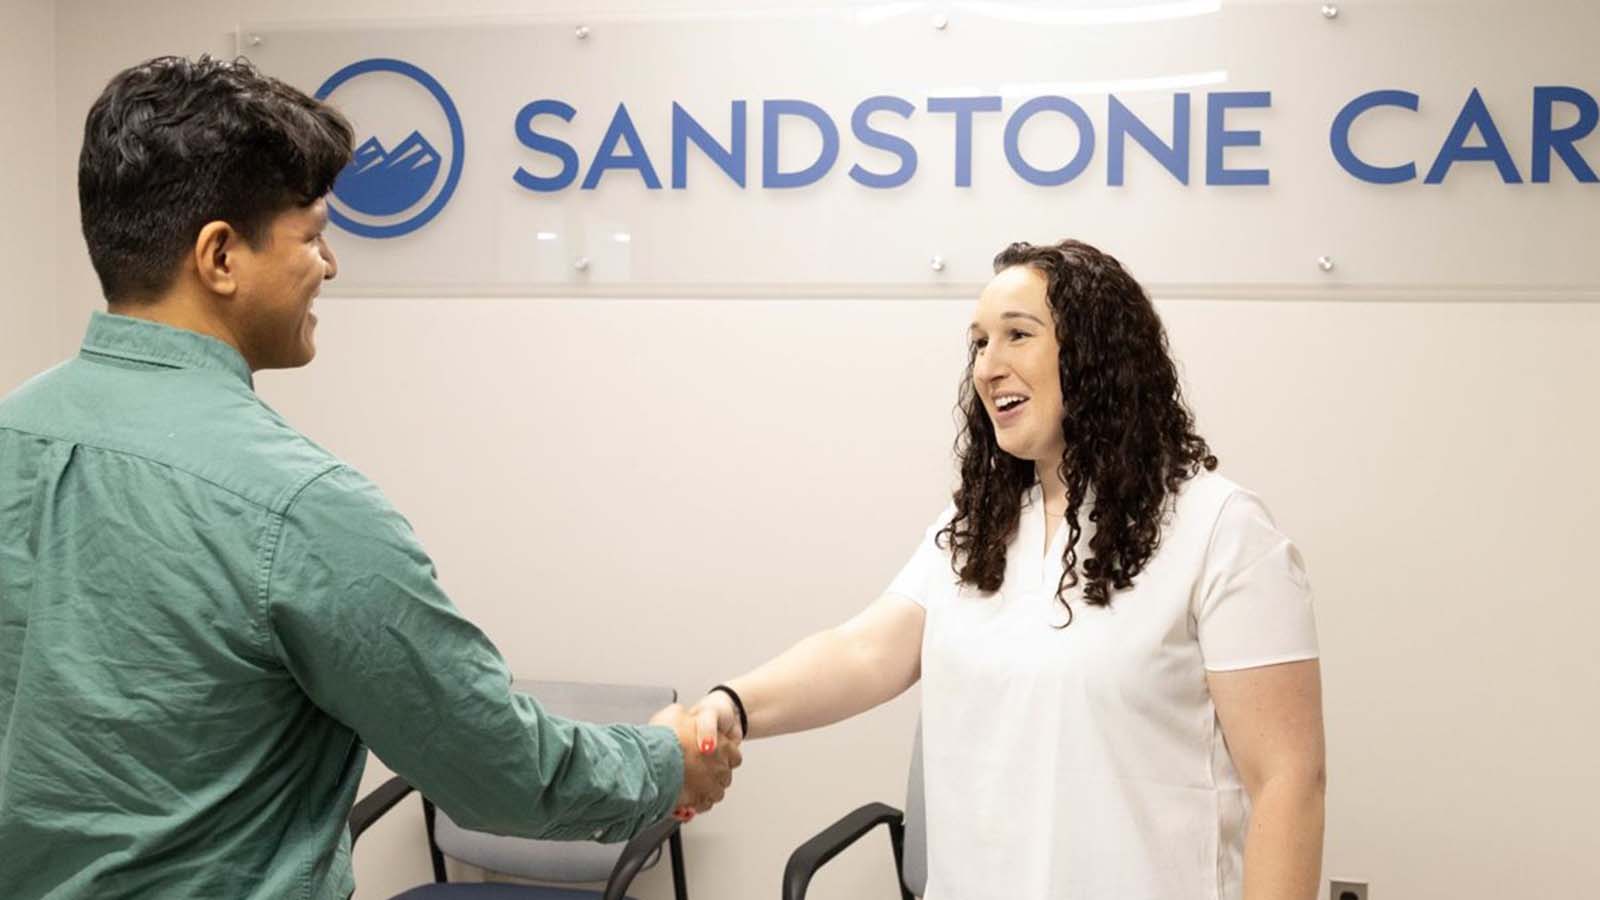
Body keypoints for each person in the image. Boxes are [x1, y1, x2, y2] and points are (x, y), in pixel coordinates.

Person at [0, 55, 737, 900]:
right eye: (311, 235)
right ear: (219, 257)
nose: (331, 264)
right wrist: (668, 761)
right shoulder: (300, 509)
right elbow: (497, 767)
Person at [687, 240, 1326, 899]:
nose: (988, 367)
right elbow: (865, 653)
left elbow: (1289, 781)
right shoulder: (975, 531)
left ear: (1095, 352)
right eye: (979, 344)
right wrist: (732, 705)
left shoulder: (1221, 530)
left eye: (1017, 335)